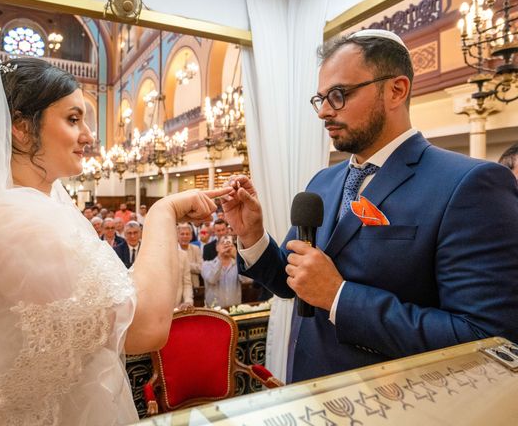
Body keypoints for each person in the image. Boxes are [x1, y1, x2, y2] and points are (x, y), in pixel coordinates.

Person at [0, 57, 229, 425]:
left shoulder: (20, 209)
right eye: (73, 119)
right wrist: (163, 213)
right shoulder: (13, 222)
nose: (90, 136)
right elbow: (146, 327)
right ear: (21, 129)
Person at [222, 30, 518, 383]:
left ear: (396, 90)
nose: (324, 112)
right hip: (308, 391)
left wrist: (339, 297)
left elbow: (485, 340)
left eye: (339, 95)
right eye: (321, 99)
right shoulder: (323, 183)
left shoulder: (469, 184)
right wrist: (253, 236)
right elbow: (293, 283)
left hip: (399, 405)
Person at [201, 235, 252, 309]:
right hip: (214, 310)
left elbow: (247, 280)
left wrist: (236, 256)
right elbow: (212, 279)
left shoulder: (237, 265)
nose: (226, 246)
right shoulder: (206, 264)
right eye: (223, 243)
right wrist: (220, 258)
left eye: (229, 243)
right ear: (217, 247)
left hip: (234, 309)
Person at [177, 223, 203, 287]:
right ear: (177, 236)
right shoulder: (173, 250)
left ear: (191, 236)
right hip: (177, 287)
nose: (185, 236)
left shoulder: (196, 249)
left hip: (194, 286)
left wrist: (186, 264)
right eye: (182, 234)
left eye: (187, 234)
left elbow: (201, 268)